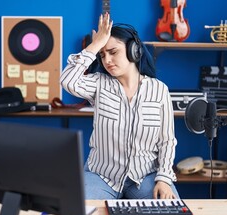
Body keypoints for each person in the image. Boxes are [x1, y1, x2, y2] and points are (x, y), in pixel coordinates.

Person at [60, 12, 179, 199]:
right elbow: (68, 80)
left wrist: (164, 178)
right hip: (101, 176)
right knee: (80, 212)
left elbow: (167, 141)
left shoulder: (159, 90)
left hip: (146, 177)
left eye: (113, 52)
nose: (107, 60)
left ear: (134, 50)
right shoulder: (99, 83)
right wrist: (96, 44)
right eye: (102, 55)